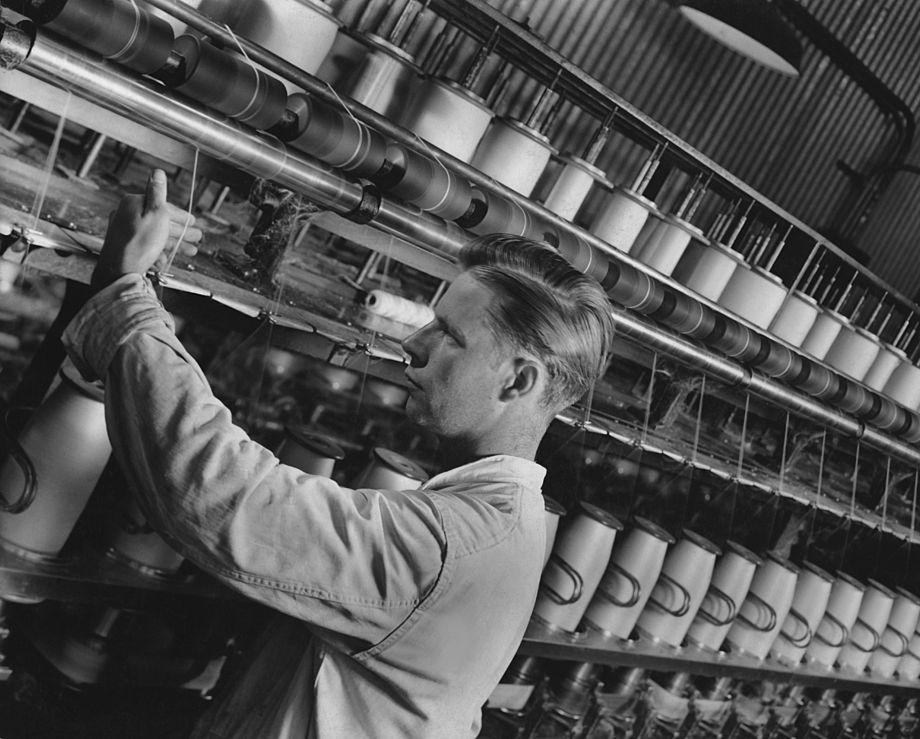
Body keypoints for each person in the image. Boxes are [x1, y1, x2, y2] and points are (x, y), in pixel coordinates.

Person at [62, 169, 614, 737]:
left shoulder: (451, 545)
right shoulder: (506, 525)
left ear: (518, 383)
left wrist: (125, 291)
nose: (413, 343)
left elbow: (227, 497)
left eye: (449, 335)